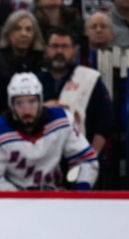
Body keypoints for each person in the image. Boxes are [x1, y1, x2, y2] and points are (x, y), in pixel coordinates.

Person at [0, 72, 99, 190]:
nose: (27, 111)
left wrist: (80, 191)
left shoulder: (62, 120)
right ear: (11, 106)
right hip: (13, 204)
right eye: (19, 103)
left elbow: (86, 160)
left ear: (41, 102)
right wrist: (19, 199)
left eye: (32, 102)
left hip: (55, 198)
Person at [39, 27, 114, 157]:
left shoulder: (89, 78)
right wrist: (43, 108)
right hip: (40, 158)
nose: (59, 51)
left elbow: (105, 122)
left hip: (79, 155)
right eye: (55, 46)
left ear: (75, 50)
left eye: (65, 46)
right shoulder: (34, 80)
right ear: (46, 49)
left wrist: (91, 157)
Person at [0, 10, 51, 120]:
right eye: (17, 29)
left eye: (28, 29)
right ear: (8, 33)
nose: (23, 34)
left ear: (35, 34)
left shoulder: (43, 59)